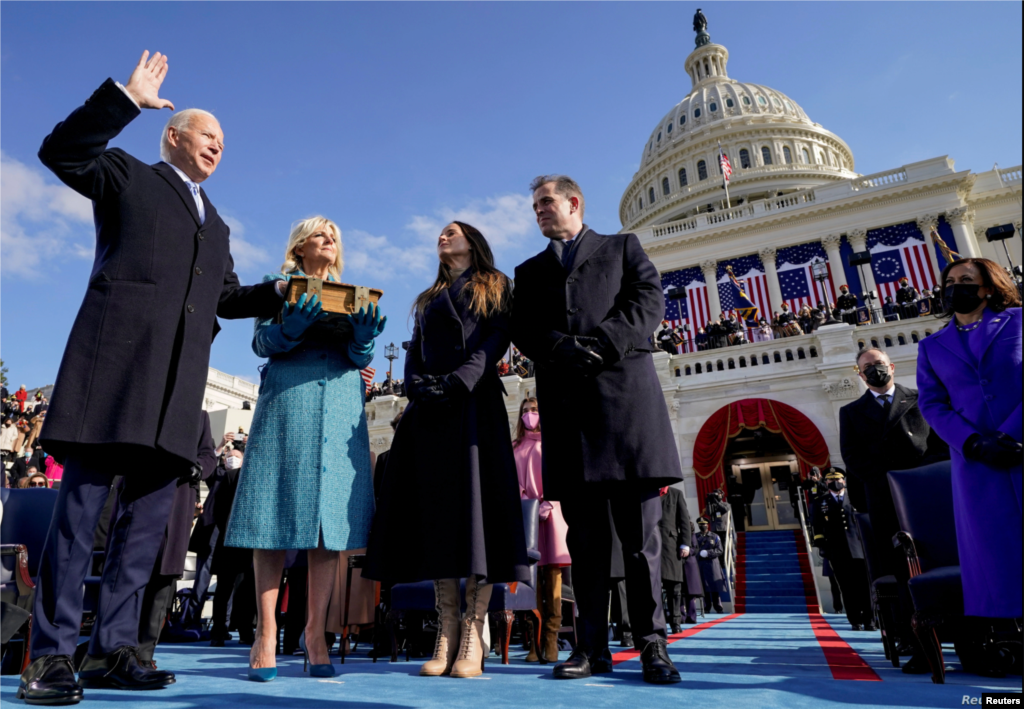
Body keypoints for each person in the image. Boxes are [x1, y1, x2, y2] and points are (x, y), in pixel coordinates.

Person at [18, 51, 286, 706]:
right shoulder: (126, 175)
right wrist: (125, 99)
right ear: (173, 135)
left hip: (173, 398)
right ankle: (49, 656)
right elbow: (60, 150)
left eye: (224, 141)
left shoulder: (218, 224)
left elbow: (224, 296)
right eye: (207, 134)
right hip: (111, 377)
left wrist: (280, 291)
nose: (219, 144)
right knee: (80, 521)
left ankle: (115, 650)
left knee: (141, 534)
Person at [510, 175, 682, 684]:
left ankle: (653, 645)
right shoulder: (530, 270)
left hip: (627, 410)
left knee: (640, 543)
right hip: (570, 416)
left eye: (546, 202)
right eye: (534, 205)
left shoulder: (622, 247)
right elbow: (523, 327)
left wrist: (603, 343)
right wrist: (559, 347)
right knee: (585, 547)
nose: (539, 210)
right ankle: (591, 649)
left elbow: (647, 302)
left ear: (574, 202)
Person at [365, 220, 530, 680]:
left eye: (452, 231)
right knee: (437, 519)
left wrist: (460, 381)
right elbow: (415, 348)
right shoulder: (427, 298)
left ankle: (473, 632)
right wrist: (418, 385)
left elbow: (497, 338)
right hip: (431, 412)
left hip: (474, 406)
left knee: (476, 516)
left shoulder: (496, 285)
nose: (443, 236)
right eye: (440, 232)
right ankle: (447, 628)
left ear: (472, 242)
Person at [224, 216, 385, 682]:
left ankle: (316, 634)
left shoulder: (353, 295)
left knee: (327, 524)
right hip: (288, 402)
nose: (329, 239)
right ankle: (265, 631)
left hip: (339, 404)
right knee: (271, 516)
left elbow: (360, 359)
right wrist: (289, 330)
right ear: (299, 248)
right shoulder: (278, 290)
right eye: (320, 234)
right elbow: (261, 342)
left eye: (334, 234)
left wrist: (364, 339)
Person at [916, 258, 1022, 621]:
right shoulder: (931, 347)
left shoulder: (1019, 321)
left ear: (988, 287)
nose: (954, 287)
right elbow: (932, 405)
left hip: (1019, 447)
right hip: (978, 464)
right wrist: (973, 442)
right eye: (949, 282)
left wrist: (1011, 433)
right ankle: (1008, 630)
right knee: (997, 552)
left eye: (965, 280)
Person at [840, 347, 949, 670]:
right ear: (859, 375)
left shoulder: (919, 398)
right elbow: (854, 458)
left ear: (892, 365)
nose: (875, 371)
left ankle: (966, 639)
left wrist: (917, 478)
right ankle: (919, 644)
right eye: (867, 368)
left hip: (928, 498)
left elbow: (940, 445)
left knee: (940, 562)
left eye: (879, 364)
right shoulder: (851, 412)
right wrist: (891, 479)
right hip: (887, 500)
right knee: (905, 573)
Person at [131, 412, 216, 668]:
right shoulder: (148, 404)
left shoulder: (199, 417)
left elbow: (208, 455)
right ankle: (117, 648)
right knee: (130, 577)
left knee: (162, 583)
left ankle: (144, 655)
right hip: (139, 495)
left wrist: (196, 468)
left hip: (178, 501)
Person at [513, 397, 570, 663]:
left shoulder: (553, 443)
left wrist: (549, 501)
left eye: (534, 410)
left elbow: (560, 474)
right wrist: (528, 503)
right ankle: (533, 644)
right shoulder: (514, 447)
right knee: (531, 579)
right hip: (527, 516)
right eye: (525, 411)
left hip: (552, 513)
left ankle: (551, 641)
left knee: (553, 576)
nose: (529, 415)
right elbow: (512, 482)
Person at [811, 468, 874, 631]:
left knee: (864, 586)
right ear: (826, 483)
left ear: (844, 481)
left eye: (838, 479)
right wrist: (823, 547)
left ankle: (869, 620)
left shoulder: (856, 498)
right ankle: (855, 620)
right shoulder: (820, 502)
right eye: (831, 481)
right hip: (837, 551)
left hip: (859, 549)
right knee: (847, 587)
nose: (835, 483)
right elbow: (817, 527)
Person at [658, 485, 692, 633]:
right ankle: (657, 622)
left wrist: (685, 544)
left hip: (671, 546)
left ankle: (675, 622)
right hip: (649, 545)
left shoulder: (676, 494)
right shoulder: (647, 492)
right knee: (652, 588)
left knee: (674, 587)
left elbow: (684, 521)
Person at [694, 518, 725, 613]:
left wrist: (708, 553)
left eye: (704, 524)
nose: (702, 526)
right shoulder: (695, 537)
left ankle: (718, 607)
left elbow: (720, 550)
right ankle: (706, 607)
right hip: (701, 564)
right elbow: (693, 550)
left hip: (712, 564)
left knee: (714, 586)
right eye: (700, 524)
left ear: (707, 525)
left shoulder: (714, 536)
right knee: (704, 587)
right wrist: (699, 554)